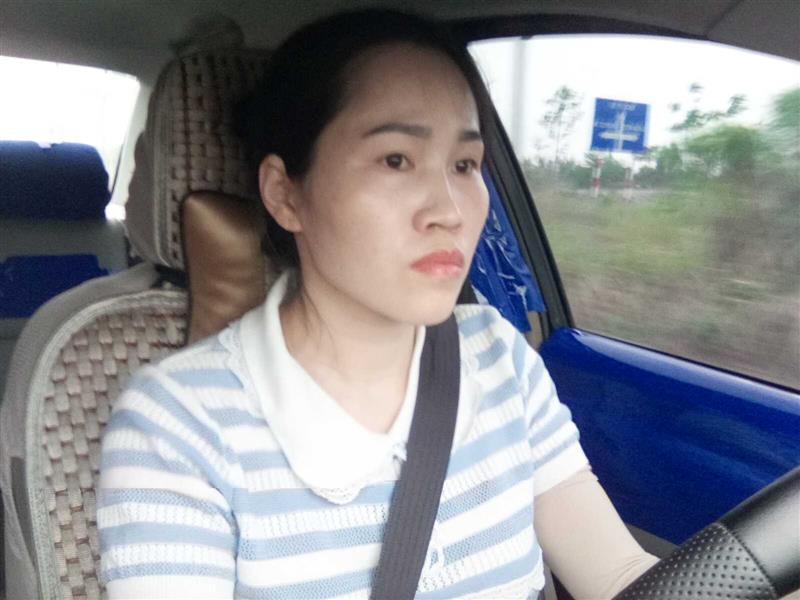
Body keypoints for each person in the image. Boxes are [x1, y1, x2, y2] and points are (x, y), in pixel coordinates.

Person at [98, 9, 658, 599]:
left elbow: (618, 576)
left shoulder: (500, 360)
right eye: (396, 160)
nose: (450, 210)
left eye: (465, 165)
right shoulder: (178, 425)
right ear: (285, 194)